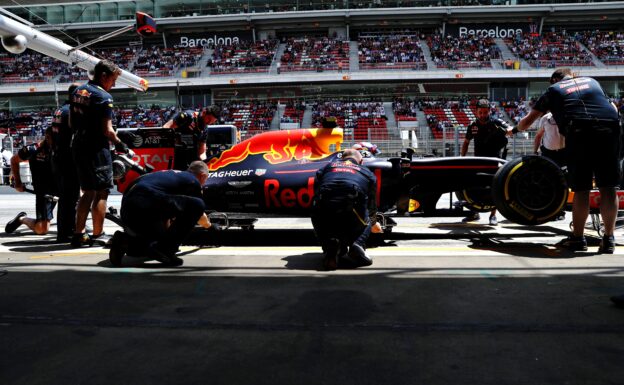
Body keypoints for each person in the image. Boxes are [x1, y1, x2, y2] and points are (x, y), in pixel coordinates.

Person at [516, 68, 621, 253]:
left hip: (579, 131)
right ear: (572, 75)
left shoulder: (554, 90)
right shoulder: (592, 81)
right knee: (608, 187)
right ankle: (609, 238)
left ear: (555, 80)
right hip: (609, 128)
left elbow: (527, 122)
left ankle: (578, 239)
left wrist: (515, 129)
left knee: (581, 189)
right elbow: (612, 108)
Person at [109, 161, 216, 267]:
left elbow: (166, 208)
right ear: (202, 176)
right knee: (198, 204)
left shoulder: (168, 176)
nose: (204, 183)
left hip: (129, 208)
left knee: (152, 247)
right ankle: (165, 249)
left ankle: (126, 242)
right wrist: (210, 226)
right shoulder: (192, 181)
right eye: (205, 180)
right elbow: (200, 215)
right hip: (146, 201)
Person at [70, 60, 126, 247]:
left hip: (78, 144)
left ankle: (78, 234)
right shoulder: (104, 97)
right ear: (103, 76)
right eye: (113, 79)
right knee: (102, 192)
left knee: (87, 192)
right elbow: (107, 131)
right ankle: (98, 234)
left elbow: (71, 122)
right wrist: (120, 144)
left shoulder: (78, 91)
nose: (114, 84)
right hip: (96, 148)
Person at [311, 149, 377, 270]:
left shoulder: (328, 166)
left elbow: (316, 190)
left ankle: (328, 245)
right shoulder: (367, 172)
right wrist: (373, 220)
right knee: (369, 216)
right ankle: (358, 244)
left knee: (316, 212)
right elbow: (371, 203)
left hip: (326, 204)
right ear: (361, 161)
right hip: (351, 204)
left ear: (341, 159)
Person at [460, 98, 513, 226]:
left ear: (489, 111)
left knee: (493, 188)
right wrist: (462, 158)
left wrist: (507, 131)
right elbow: (466, 143)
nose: (483, 115)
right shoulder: (472, 126)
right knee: (473, 187)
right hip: (478, 161)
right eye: (481, 112)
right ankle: (474, 212)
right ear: (476, 112)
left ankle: (493, 215)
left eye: (485, 112)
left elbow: (511, 129)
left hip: (493, 161)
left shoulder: (496, 122)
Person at [5, 127, 57, 235]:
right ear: (47, 138)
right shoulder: (33, 149)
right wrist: (18, 183)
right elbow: (14, 160)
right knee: (42, 229)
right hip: (44, 192)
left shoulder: (65, 147)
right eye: (55, 139)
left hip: (62, 186)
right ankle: (22, 219)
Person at [50, 83, 81, 242]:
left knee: (65, 197)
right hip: (67, 159)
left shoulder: (60, 109)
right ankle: (65, 232)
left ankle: (64, 230)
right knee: (70, 198)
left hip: (57, 157)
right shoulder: (70, 111)